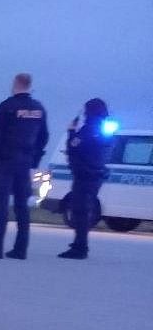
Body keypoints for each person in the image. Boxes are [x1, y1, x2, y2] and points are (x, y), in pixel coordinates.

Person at [0, 73, 49, 259]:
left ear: (16, 84)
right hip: (24, 162)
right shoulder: (38, 109)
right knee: (21, 206)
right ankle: (21, 248)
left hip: (4, 162)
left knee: (1, 204)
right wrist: (34, 160)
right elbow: (43, 137)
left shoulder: (7, 106)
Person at [59, 98, 112, 259]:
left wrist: (71, 131)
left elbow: (73, 147)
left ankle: (80, 247)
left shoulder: (88, 129)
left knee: (80, 211)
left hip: (84, 175)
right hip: (96, 175)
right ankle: (79, 244)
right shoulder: (105, 130)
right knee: (84, 209)